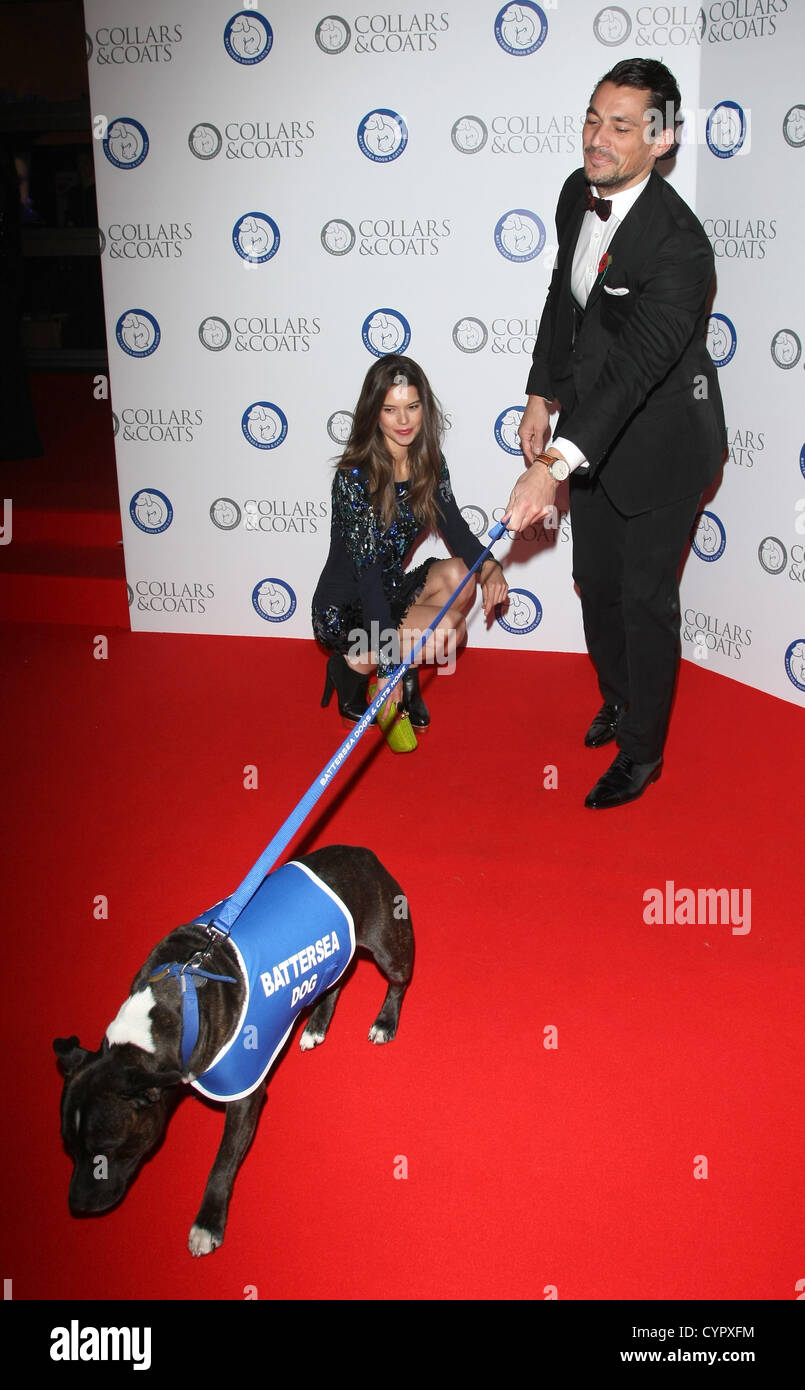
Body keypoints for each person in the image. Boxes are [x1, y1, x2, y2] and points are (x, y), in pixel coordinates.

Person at [505, 58, 726, 809]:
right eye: (593, 118)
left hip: (664, 448)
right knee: (593, 586)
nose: (597, 139)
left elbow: (635, 369)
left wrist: (553, 464)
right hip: (593, 437)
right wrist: (543, 390)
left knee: (642, 600)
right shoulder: (578, 191)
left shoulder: (680, 248)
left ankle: (643, 753)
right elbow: (562, 301)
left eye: (621, 127)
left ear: (661, 142)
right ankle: (619, 697)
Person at [313, 354, 507, 742]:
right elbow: (366, 579)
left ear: (425, 408)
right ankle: (353, 666)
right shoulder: (354, 477)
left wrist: (490, 569)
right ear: (374, 413)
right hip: (346, 610)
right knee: (448, 633)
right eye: (390, 409)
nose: (404, 421)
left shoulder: (428, 463)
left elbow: (458, 530)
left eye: (412, 407)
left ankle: (403, 667)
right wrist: (386, 666)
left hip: (389, 590)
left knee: (460, 574)